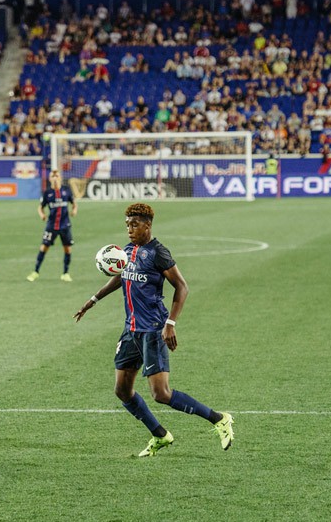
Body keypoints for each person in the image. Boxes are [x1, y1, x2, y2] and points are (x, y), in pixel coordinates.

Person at [73, 203, 233, 457]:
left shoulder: (158, 253)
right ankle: (160, 435)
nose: (129, 229)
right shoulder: (127, 251)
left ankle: (219, 419)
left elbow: (182, 287)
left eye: (134, 224)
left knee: (161, 394)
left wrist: (170, 323)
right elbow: (121, 275)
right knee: (122, 390)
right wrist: (93, 300)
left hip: (153, 330)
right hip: (131, 330)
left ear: (147, 225)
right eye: (127, 224)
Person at [27, 169, 77, 282]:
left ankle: (65, 273)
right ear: (49, 179)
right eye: (52, 176)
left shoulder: (66, 190)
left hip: (65, 225)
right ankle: (35, 271)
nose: (54, 178)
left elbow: (74, 203)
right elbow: (40, 207)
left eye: (57, 175)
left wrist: (74, 210)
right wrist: (42, 215)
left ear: (60, 178)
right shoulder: (47, 193)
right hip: (51, 225)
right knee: (44, 247)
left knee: (68, 249)